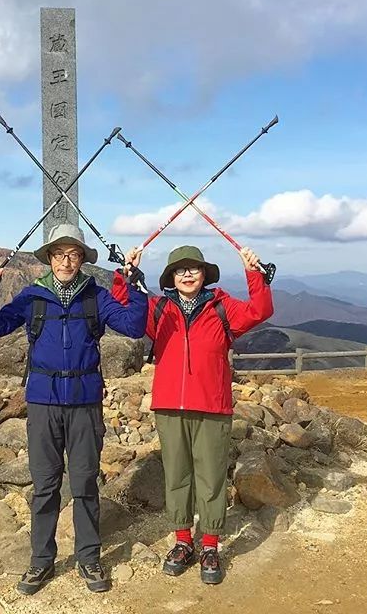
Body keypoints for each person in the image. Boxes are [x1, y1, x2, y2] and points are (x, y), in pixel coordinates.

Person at [0, 223, 147, 595]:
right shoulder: (33, 297)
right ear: (50, 258)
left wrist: (134, 287)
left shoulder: (96, 297)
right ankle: (41, 561)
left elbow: (135, 327)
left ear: (82, 259)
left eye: (73, 254)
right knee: (45, 483)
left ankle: (88, 557)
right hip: (43, 401)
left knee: (85, 481)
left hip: (84, 400)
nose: (66, 261)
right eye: (59, 254)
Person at [112, 244, 273, 584]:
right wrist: (123, 273)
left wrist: (254, 273)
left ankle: (210, 544)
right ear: (171, 277)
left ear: (204, 274)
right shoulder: (158, 309)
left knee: (211, 475)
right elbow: (124, 307)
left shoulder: (222, 307)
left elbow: (260, 310)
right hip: (170, 406)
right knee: (177, 474)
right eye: (180, 269)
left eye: (194, 269)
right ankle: (183, 541)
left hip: (212, 405)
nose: (187, 274)